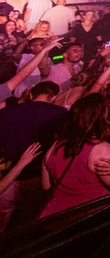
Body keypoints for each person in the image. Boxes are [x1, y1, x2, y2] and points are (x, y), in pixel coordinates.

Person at [0, 82, 67, 231]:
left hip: (8, 179)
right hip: (39, 178)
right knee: (28, 224)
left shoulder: (7, 113)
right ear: (54, 97)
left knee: (3, 224)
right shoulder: (61, 114)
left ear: (31, 95)